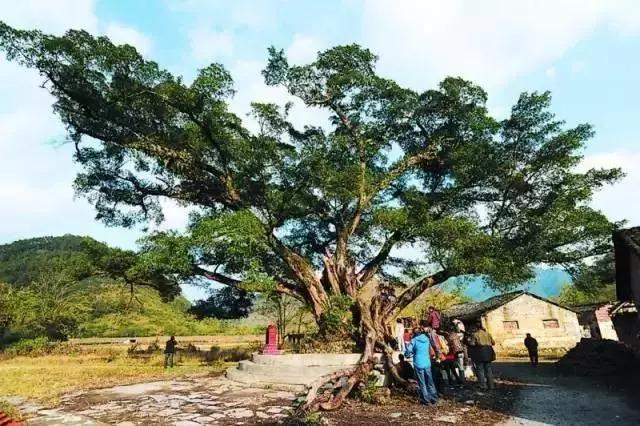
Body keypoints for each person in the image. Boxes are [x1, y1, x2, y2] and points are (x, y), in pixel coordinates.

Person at [404, 327, 438, 405]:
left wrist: (407, 353)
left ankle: (426, 400)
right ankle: (434, 398)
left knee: (422, 383)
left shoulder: (414, 340)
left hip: (418, 364)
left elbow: (408, 352)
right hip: (427, 363)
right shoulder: (426, 339)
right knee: (430, 381)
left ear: (414, 333)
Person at [468, 323, 496, 390]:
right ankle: (491, 386)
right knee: (488, 370)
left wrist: (469, 341)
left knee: (480, 370)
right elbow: (493, 343)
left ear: (476, 328)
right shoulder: (488, 333)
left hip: (479, 352)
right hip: (488, 352)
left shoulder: (475, 334)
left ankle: (483, 386)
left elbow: (472, 344)